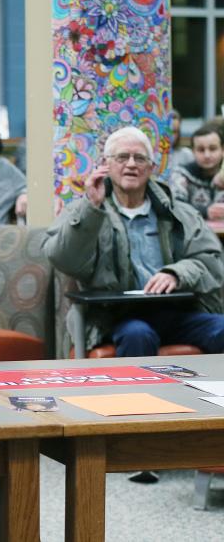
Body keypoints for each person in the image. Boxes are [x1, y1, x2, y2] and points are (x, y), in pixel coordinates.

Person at [45, 127, 224, 486]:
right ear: (106, 165)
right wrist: (91, 208)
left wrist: (177, 271)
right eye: (122, 157)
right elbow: (61, 257)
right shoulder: (90, 207)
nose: (131, 164)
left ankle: (215, 438)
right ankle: (142, 448)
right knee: (139, 335)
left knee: (221, 327)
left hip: (176, 311)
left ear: (151, 166)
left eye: (139, 158)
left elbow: (212, 259)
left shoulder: (176, 210)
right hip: (118, 316)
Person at [169, 122, 224, 219]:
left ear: (222, 150)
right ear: (193, 152)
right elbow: (174, 208)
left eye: (213, 149)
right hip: (193, 233)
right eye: (201, 150)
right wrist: (206, 212)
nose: (207, 155)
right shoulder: (181, 174)